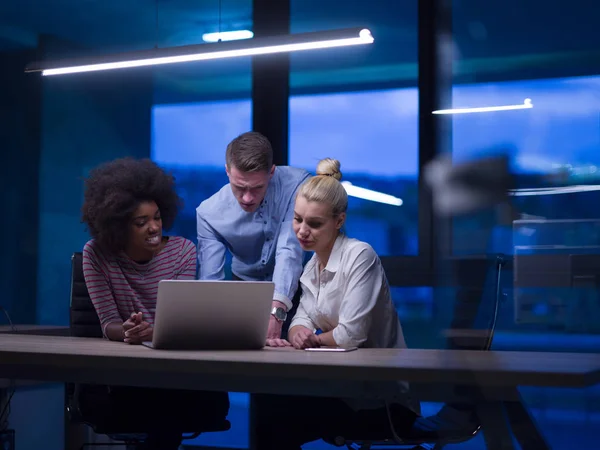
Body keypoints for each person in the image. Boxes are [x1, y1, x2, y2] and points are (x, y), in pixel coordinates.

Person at [256, 158, 420, 449]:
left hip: (384, 402)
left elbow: (350, 334)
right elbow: (301, 319)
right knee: (271, 408)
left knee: (277, 417)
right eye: (297, 219)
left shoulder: (361, 256)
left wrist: (313, 340)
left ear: (339, 221)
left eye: (314, 224)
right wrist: (297, 333)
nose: (302, 231)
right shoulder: (312, 266)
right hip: (345, 390)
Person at [80, 157, 229, 450]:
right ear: (118, 226)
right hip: (124, 378)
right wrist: (126, 331)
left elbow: (178, 322)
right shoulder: (96, 254)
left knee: (170, 402)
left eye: (157, 217)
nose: (153, 228)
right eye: (141, 222)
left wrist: (153, 331)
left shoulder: (183, 252)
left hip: (174, 375)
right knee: (162, 410)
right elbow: (107, 323)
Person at [196, 131, 310, 342]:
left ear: (271, 172)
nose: (247, 198)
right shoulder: (208, 213)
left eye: (257, 188)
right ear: (227, 171)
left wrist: (276, 314)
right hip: (244, 294)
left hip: (301, 293)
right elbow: (210, 283)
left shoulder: (297, 185)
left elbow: (289, 251)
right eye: (239, 188)